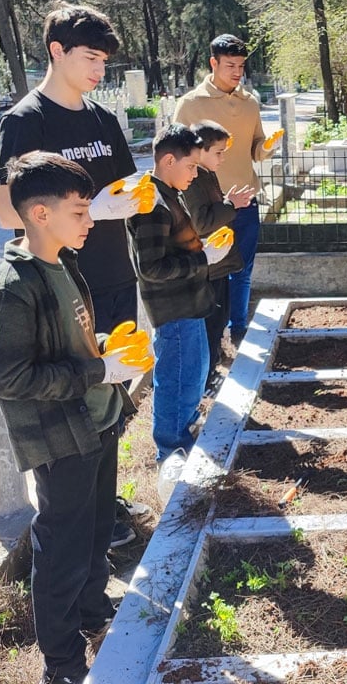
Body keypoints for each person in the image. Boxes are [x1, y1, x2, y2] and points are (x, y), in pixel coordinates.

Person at [0, 152, 149, 684]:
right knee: (62, 550)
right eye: (79, 212)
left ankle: (95, 613)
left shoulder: (64, 262)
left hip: (95, 423)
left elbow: (71, 341)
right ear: (38, 213)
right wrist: (96, 372)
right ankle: (62, 662)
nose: (91, 221)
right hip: (61, 437)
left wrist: (101, 350)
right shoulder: (16, 285)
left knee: (98, 532)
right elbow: (11, 377)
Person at [0, 2, 145, 549]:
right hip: (57, 286)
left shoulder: (104, 121)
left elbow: (126, 189)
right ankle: (62, 525)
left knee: (113, 393)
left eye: (104, 60)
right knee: (70, 397)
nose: (99, 71)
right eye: (90, 58)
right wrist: (92, 211)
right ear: (56, 52)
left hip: (110, 274)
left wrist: (131, 201)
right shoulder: (26, 121)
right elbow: (8, 213)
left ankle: (106, 504)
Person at [126, 124, 233, 486]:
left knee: (193, 376)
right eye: (190, 167)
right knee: (177, 380)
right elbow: (152, 268)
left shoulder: (167, 192)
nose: (195, 174)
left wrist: (203, 253)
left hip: (190, 303)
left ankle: (183, 436)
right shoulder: (151, 204)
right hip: (173, 309)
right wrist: (204, 259)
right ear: (168, 160)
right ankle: (170, 453)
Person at [172, 33, 282, 348]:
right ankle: (211, 334)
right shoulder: (190, 104)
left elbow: (256, 150)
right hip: (205, 206)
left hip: (245, 201)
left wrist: (268, 146)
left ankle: (237, 327)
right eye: (230, 65)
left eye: (241, 66)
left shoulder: (250, 103)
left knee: (242, 268)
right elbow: (177, 152)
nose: (237, 72)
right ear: (213, 63)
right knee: (209, 270)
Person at [184, 120, 255, 385]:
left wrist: (229, 203)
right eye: (218, 152)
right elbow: (201, 222)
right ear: (200, 150)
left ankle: (211, 369)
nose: (222, 158)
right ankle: (207, 377)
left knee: (218, 319)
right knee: (210, 323)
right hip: (208, 264)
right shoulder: (193, 179)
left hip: (218, 264)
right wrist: (230, 205)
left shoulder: (206, 174)